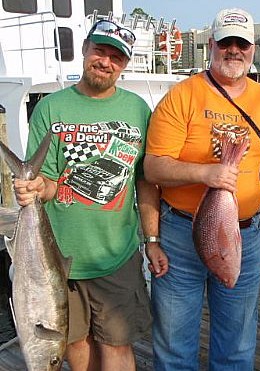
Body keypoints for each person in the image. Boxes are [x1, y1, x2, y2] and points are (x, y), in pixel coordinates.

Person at [13, 19, 168, 371]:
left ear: (125, 64)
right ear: (84, 49)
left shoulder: (138, 110)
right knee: (75, 344)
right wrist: (37, 187)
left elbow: (144, 181)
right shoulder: (50, 108)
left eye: (116, 57)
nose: (106, 62)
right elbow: (51, 182)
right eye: (99, 51)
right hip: (59, 258)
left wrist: (152, 239)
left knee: (116, 345)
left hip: (117, 254)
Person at [143, 8, 260, 371]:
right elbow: (153, 166)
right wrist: (206, 172)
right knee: (174, 342)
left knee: (237, 342)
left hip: (246, 235)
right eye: (226, 42)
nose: (233, 50)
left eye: (241, 43)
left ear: (252, 49)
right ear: (211, 45)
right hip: (181, 235)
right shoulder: (182, 96)